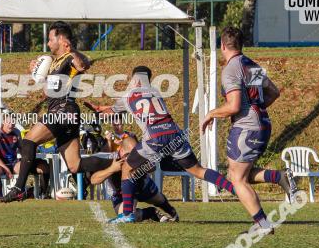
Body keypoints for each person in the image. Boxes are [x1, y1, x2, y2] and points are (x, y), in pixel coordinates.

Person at [91, 65, 237, 224]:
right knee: (198, 170)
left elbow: (112, 111)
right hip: (175, 134)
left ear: (136, 80)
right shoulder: (155, 91)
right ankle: (234, 188)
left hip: (155, 137)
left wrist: (99, 110)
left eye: (132, 79)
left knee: (127, 168)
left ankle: (127, 214)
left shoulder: (128, 96)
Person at [201, 27, 299, 233]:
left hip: (246, 129)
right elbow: (273, 92)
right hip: (262, 124)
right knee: (238, 175)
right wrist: (257, 110)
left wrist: (211, 113)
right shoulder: (250, 65)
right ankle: (279, 177)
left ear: (222, 45)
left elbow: (234, 106)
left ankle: (263, 224)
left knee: (237, 179)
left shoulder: (231, 69)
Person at [1, 22, 106, 202]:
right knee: (75, 165)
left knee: (28, 140)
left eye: (50, 39)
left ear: (62, 39)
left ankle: (19, 188)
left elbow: (83, 65)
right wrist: (37, 72)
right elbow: (49, 91)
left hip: (64, 110)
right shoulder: (53, 61)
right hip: (65, 112)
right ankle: (117, 163)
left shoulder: (70, 57)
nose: (48, 44)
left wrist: (73, 51)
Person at [90, 134, 179, 222]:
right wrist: (111, 169)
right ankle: (151, 213)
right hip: (120, 194)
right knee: (127, 215)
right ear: (121, 151)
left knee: (159, 199)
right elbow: (93, 180)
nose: (132, 157)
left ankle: (172, 212)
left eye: (134, 154)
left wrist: (142, 166)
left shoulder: (139, 155)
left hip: (143, 187)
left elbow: (153, 167)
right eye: (128, 154)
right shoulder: (111, 159)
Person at [0, 114, 50, 198]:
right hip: (0, 164)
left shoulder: (16, 132)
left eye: (13, 122)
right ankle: (0, 196)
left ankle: (40, 194)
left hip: (14, 163)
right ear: (3, 122)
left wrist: (30, 155)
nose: (11, 125)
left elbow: (22, 149)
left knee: (42, 167)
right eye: (8, 122)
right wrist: (6, 169)